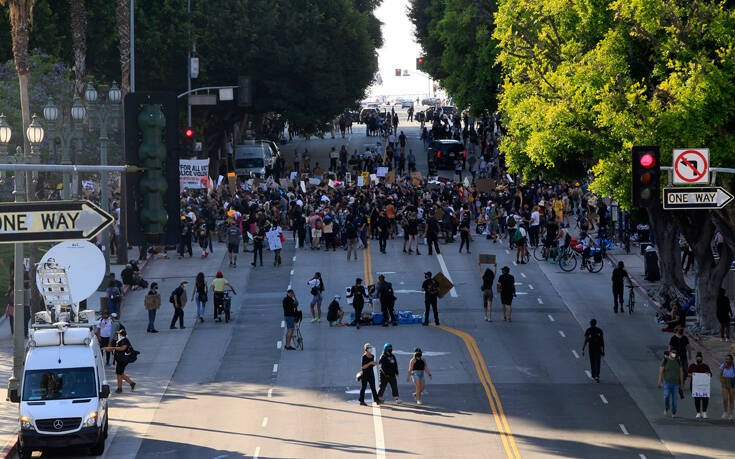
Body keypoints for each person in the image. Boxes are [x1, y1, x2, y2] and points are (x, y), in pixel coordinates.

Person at [102, 329, 136, 394]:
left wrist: (113, 348)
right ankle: (131, 383)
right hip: (119, 359)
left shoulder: (125, 340)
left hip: (123, 360)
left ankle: (119, 388)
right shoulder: (120, 340)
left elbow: (123, 348)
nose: (118, 335)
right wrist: (108, 348)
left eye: (119, 334)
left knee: (119, 374)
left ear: (121, 335)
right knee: (120, 373)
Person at [658, 350, 683, 417]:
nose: (674, 354)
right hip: (667, 383)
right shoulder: (665, 361)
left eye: (675, 353)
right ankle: (667, 407)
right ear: (670, 353)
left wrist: (682, 383)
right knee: (666, 396)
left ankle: (674, 411)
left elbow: (681, 373)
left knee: (674, 399)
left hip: (676, 384)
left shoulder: (678, 361)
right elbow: (661, 372)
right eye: (673, 352)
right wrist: (660, 381)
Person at [688, 352, 711, 419]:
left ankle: (704, 412)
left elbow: (710, 374)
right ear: (695, 359)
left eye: (700, 359)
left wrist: (707, 374)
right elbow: (687, 374)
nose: (699, 360)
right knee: (697, 399)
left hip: (704, 387)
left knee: (705, 399)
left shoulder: (705, 366)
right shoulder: (692, 366)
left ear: (702, 359)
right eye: (698, 359)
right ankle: (698, 412)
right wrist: (692, 375)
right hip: (695, 386)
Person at [720, 354, 735, 419]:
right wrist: (722, 381)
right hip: (725, 382)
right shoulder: (723, 366)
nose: (727, 360)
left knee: (731, 399)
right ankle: (725, 412)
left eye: (729, 359)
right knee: (725, 399)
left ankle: (731, 414)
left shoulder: (734, 366)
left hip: (732, 382)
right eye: (726, 359)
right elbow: (720, 374)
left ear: (731, 360)